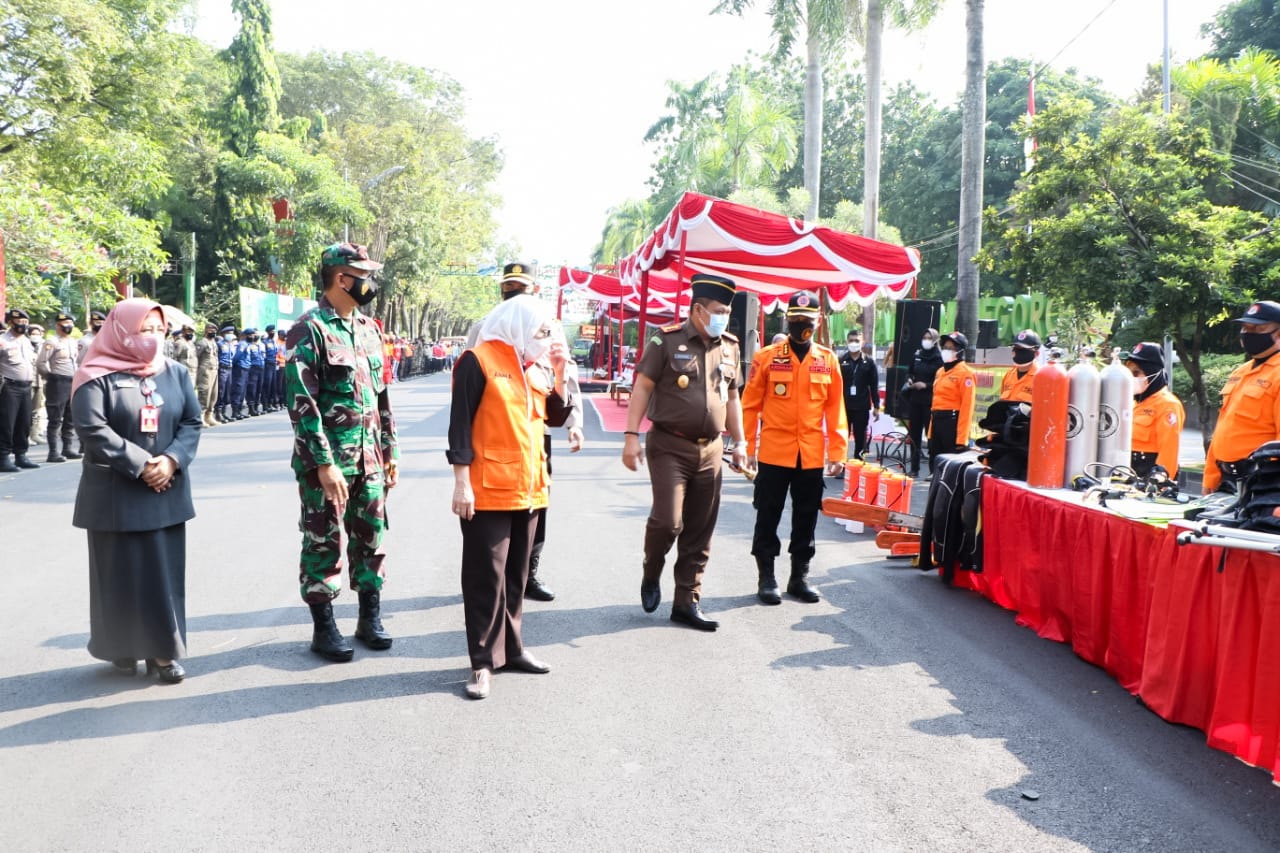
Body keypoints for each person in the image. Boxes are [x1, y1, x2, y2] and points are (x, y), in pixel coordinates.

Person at [71, 298, 202, 684]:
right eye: (145, 330)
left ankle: (163, 653)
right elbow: (93, 429)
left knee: (162, 574)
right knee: (118, 573)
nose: (154, 338)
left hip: (166, 489)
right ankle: (121, 647)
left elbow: (192, 422)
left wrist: (172, 460)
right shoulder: (95, 375)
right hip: (116, 492)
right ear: (121, 331)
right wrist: (143, 464)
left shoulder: (175, 372)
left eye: (159, 330)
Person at [447, 294, 571, 700]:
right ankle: (482, 663)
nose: (543, 339)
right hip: (487, 490)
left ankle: (513, 649)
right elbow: (460, 425)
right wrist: (461, 482)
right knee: (486, 579)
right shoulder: (478, 360)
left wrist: (560, 370)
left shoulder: (533, 366)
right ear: (517, 324)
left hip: (531, 489)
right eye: (539, 331)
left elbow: (554, 416)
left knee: (517, 577)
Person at [285, 243, 399, 662]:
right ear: (341, 278)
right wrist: (323, 463)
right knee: (322, 541)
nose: (369, 282)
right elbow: (302, 404)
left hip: (369, 459)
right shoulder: (309, 329)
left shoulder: (369, 329)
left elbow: (381, 396)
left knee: (372, 538)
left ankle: (370, 618)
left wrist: (390, 451)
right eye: (363, 274)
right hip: (328, 465)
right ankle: (324, 627)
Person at [622, 272, 747, 631]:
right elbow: (643, 387)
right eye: (719, 310)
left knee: (699, 529)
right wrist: (631, 436)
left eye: (727, 310)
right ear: (698, 310)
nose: (724, 317)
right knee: (668, 521)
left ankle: (686, 601)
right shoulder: (666, 340)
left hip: (711, 449)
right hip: (668, 445)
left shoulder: (730, 346)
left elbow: (733, 397)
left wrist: (739, 443)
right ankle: (652, 571)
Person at [465, 261, 583, 601]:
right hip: (495, 428)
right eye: (508, 287)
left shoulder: (549, 326)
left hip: (535, 427)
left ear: (534, 290)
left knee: (535, 506)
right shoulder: (483, 327)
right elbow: (469, 381)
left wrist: (575, 422)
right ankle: (491, 571)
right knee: (489, 510)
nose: (512, 293)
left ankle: (527, 570)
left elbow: (566, 374)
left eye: (520, 287)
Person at [742, 291, 848, 605]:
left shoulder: (827, 360)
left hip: (811, 454)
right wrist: (747, 447)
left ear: (818, 322)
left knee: (806, 518)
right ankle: (767, 577)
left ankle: (799, 577)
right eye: (796, 318)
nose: (802, 324)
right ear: (787, 319)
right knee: (768, 516)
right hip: (774, 452)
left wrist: (839, 453)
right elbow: (750, 405)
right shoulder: (767, 357)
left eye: (808, 319)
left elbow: (835, 409)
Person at [1204, 300, 1280, 492]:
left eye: (1258, 328)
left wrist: (1272, 487)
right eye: (1246, 328)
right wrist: (1210, 477)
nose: (1248, 333)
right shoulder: (1241, 372)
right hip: (1226, 478)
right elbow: (1223, 426)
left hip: (1262, 481)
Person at [1121, 342, 1184, 479]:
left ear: (1152, 373)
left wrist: (1160, 481)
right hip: (1128, 473)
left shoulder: (1167, 404)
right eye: (1129, 373)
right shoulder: (1134, 402)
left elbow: (1169, 449)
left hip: (1151, 475)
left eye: (1136, 373)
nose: (1131, 378)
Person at [928, 331, 977, 471]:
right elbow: (935, 402)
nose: (947, 350)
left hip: (952, 422)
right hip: (937, 421)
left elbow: (967, 407)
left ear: (960, 351)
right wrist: (931, 432)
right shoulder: (940, 372)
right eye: (945, 347)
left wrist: (962, 439)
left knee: (949, 469)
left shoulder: (966, 373)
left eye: (951, 348)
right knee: (935, 466)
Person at [37, 312, 81, 463]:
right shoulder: (52, 341)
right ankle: (53, 451)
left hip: (73, 381)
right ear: (58, 325)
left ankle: (67, 448)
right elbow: (41, 363)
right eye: (65, 324)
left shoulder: (74, 342)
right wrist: (50, 377)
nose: (68, 326)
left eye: (70, 323)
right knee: (55, 418)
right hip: (58, 382)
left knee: (70, 416)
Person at [0, 308, 40, 472]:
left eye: (25, 322)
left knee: (24, 422)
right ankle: (3, 458)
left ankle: (21, 455)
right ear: (10, 322)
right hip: (9, 386)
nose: (23, 325)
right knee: (6, 424)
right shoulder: (2, 340)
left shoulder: (27, 341)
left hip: (26, 387)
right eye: (19, 322)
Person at [904, 327, 943, 477]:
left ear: (934, 340)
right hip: (915, 400)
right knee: (914, 436)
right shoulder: (917, 354)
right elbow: (910, 370)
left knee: (931, 437)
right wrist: (909, 379)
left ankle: (933, 471)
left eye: (929, 338)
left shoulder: (939, 358)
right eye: (924, 337)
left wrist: (925, 385)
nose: (926, 340)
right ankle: (914, 469)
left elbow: (940, 380)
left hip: (930, 402)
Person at [838, 329, 879, 459]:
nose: (854, 343)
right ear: (847, 342)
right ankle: (842, 465)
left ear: (862, 342)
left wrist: (876, 407)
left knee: (860, 437)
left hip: (862, 406)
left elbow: (874, 385)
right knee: (843, 436)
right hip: (844, 406)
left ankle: (858, 464)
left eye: (857, 341)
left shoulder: (869, 362)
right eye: (851, 340)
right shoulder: (841, 360)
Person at [1000, 329, 1041, 403]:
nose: (1019, 353)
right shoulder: (1008, 375)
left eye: (1024, 350)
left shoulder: (1041, 378)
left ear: (1036, 353)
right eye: (1017, 348)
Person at [195, 322, 221, 427]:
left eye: (214, 330)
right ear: (206, 330)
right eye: (211, 330)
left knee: (214, 395)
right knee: (205, 394)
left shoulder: (214, 342)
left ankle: (209, 415)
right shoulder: (202, 342)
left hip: (214, 370)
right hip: (205, 371)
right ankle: (200, 416)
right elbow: (196, 357)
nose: (213, 332)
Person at [215, 324, 236, 422]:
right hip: (222, 369)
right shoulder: (219, 344)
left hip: (230, 369)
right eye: (229, 333)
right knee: (221, 391)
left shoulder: (230, 344)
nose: (231, 335)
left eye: (232, 333)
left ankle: (224, 413)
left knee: (227, 391)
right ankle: (218, 413)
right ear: (224, 334)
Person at [260, 325, 279, 411]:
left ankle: (271, 404)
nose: (273, 333)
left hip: (274, 364)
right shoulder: (264, 342)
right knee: (267, 385)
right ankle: (265, 404)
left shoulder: (273, 341)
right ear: (268, 332)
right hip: (267, 365)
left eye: (274, 331)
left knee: (273, 385)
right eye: (272, 331)